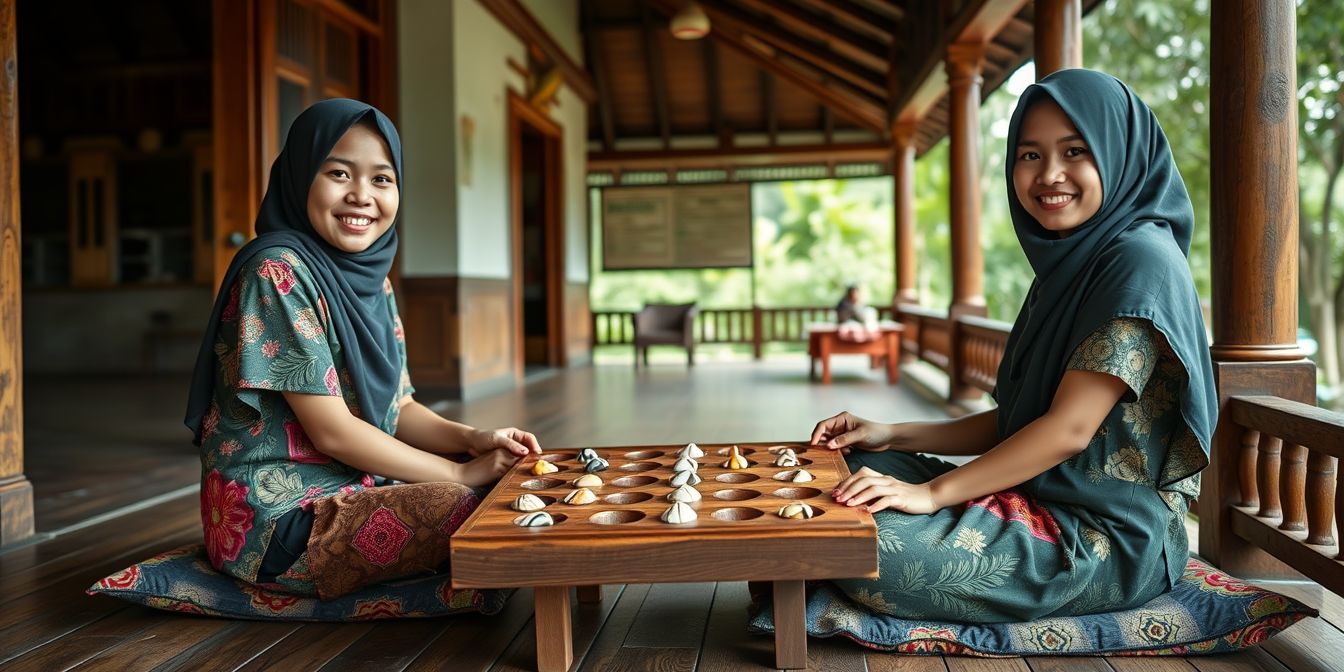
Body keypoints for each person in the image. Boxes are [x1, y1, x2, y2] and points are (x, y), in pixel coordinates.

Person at [809, 69, 1216, 622]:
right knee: (847, 467)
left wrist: (931, 496)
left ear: (1120, 152)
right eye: (1029, 155)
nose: (1050, 175)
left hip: (1100, 540)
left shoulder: (1139, 262)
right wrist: (891, 431)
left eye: (1075, 151)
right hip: (1033, 496)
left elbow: (1067, 431)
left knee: (872, 544)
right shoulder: (1073, 263)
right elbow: (1019, 422)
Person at [184, 99, 542, 600]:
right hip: (276, 527)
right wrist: (459, 472)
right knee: (473, 503)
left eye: (381, 179)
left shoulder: (372, 281)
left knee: (506, 487)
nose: (361, 196)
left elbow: (399, 408)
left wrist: (473, 437)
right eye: (338, 173)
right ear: (300, 176)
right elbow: (332, 431)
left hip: (358, 491)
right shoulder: (276, 273)